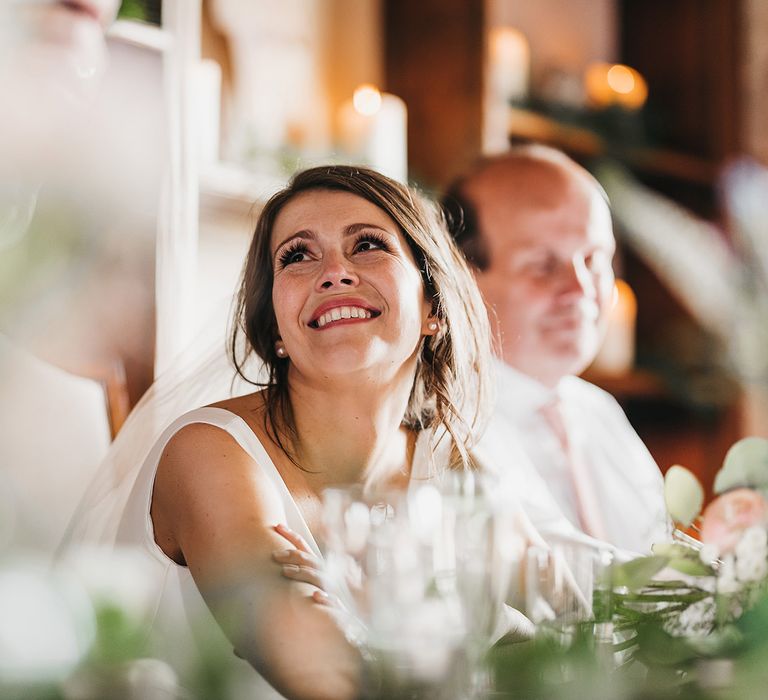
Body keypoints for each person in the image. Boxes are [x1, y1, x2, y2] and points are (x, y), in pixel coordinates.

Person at [64, 165, 495, 699]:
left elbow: (558, 624)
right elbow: (333, 683)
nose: (334, 272)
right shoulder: (210, 454)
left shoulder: (451, 465)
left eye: (367, 245)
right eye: (297, 255)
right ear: (277, 330)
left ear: (433, 306)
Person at [443, 144, 668, 554]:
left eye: (594, 259)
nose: (581, 290)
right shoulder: (446, 428)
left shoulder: (600, 414)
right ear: (461, 277)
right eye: (543, 265)